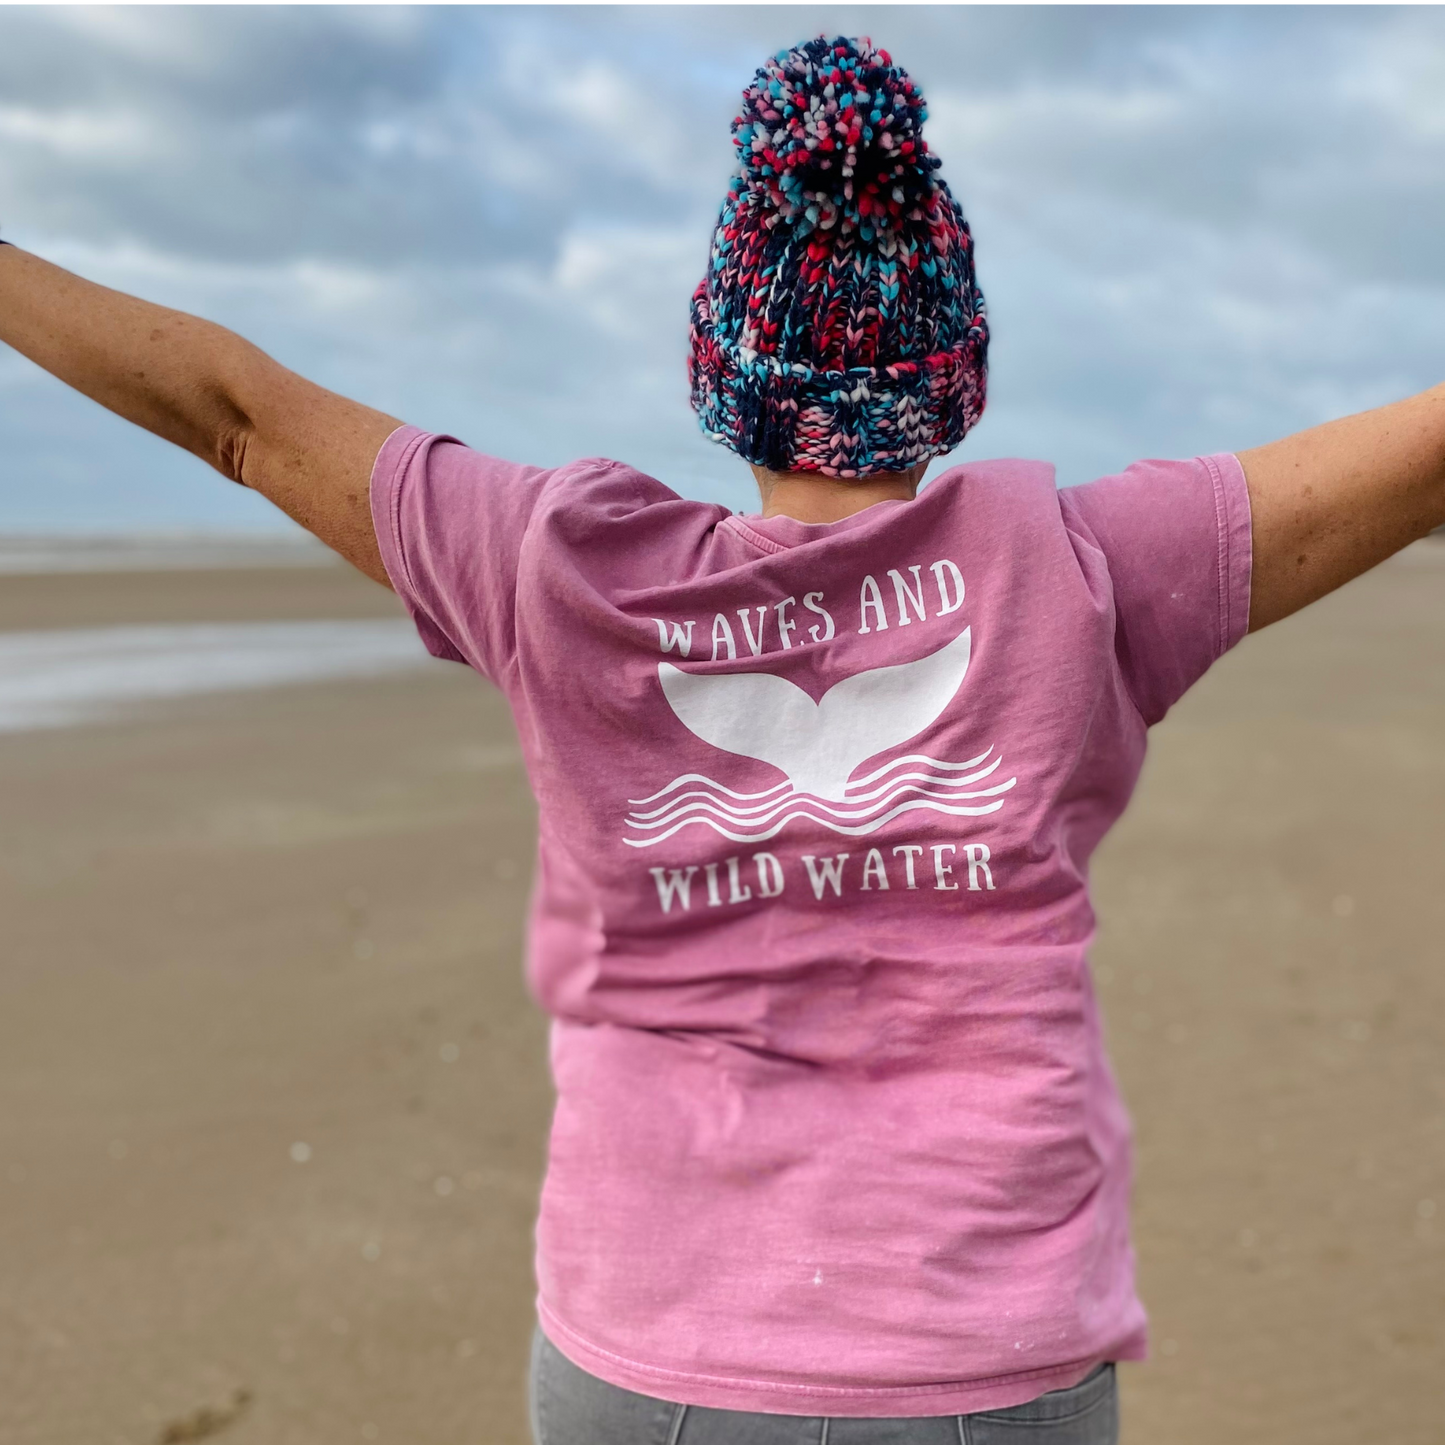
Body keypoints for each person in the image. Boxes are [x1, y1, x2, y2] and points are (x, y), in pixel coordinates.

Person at [1, 29, 1442, 1445]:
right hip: (987, 1357)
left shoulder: (559, 566)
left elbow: (237, 417)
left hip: (650, 1351)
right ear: (957, 363)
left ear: (723, 356)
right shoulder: (1083, 568)